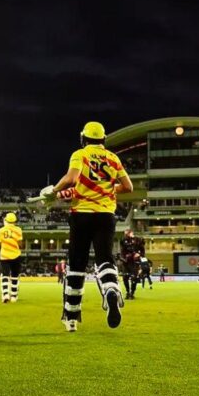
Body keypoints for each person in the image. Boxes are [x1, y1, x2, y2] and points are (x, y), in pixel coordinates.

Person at [40, 121, 133, 332]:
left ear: (84, 138)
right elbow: (128, 187)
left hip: (81, 214)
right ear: (103, 138)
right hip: (105, 215)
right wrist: (106, 190)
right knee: (105, 259)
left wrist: (53, 192)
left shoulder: (80, 154)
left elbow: (71, 178)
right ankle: (110, 290)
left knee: (76, 265)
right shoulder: (113, 158)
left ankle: (71, 318)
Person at [0, 212, 23, 303]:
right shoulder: (18, 230)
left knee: (5, 275)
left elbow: (0, 242)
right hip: (15, 254)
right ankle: (14, 296)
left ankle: (5, 294)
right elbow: (20, 243)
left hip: (4, 255)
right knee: (15, 276)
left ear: (6, 220)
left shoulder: (1, 230)